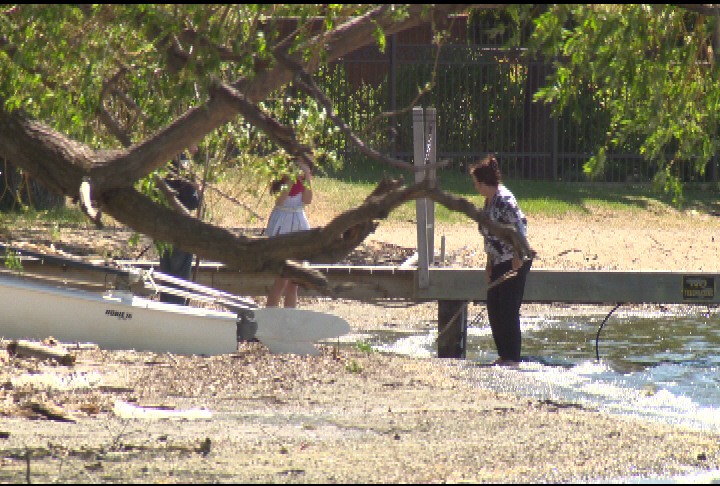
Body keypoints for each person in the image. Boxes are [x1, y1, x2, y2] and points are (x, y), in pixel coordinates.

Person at [471, 155, 532, 366]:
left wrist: (518, 256)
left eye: (476, 183)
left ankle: (512, 358)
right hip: (497, 260)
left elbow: (520, 228)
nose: (475, 187)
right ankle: (504, 355)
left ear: (483, 182)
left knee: (508, 310)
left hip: (514, 260)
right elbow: (490, 237)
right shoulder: (488, 202)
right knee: (493, 310)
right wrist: (488, 264)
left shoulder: (505, 199)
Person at [265, 157, 313, 308]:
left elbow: (307, 200)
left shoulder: (306, 174)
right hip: (283, 222)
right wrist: (292, 178)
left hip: (298, 221)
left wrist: (306, 176)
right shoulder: (283, 171)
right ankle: (270, 318)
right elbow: (280, 200)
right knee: (281, 280)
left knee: (294, 282)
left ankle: (289, 321)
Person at [159, 145, 200, 304]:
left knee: (166, 277)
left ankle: (165, 311)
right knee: (179, 279)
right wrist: (198, 191)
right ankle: (176, 312)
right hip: (181, 229)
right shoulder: (183, 165)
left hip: (161, 226)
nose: (197, 148)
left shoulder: (161, 161)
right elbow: (192, 201)